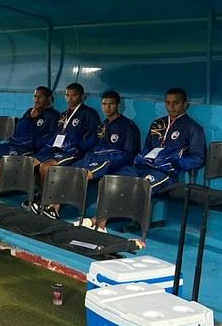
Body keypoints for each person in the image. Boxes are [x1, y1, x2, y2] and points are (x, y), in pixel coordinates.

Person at [87, 87, 206, 230]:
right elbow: (148, 147)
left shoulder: (193, 128)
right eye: (168, 103)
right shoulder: (157, 124)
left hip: (164, 173)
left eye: (176, 103)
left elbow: (198, 157)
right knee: (109, 181)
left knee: (138, 188)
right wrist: (140, 157)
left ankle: (97, 221)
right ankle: (101, 226)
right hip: (142, 167)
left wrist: (177, 162)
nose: (171, 107)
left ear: (185, 104)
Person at [42, 90, 140, 218]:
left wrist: (109, 156)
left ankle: (54, 209)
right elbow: (96, 145)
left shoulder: (128, 126)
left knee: (78, 174)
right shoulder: (103, 125)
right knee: (66, 171)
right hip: (94, 157)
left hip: (111, 162)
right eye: (104, 104)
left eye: (111, 104)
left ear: (118, 105)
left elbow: (129, 154)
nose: (107, 107)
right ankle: (50, 207)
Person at [31, 82, 101, 187]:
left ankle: (45, 199)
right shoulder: (64, 114)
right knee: (30, 163)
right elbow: (58, 133)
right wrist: (47, 148)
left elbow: (96, 135)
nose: (70, 99)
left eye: (73, 95)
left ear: (82, 96)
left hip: (73, 152)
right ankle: (43, 193)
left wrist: (80, 147)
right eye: (67, 95)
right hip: (58, 149)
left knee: (45, 167)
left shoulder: (89, 113)